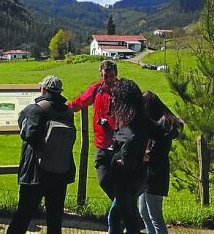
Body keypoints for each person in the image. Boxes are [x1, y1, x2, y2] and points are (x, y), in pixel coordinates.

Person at [7, 75, 76, 234]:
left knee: (24, 213)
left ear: (43, 89)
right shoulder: (68, 112)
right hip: (61, 169)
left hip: (36, 171)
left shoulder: (36, 109)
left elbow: (27, 134)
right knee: (55, 216)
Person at [109, 80, 175, 234]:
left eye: (115, 97)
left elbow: (132, 140)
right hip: (136, 176)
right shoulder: (141, 119)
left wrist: (125, 159)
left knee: (125, 219)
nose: (113, 100)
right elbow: (164, 135)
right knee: (129, 218)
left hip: (126, 178)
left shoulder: (132, 123)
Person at [68, 60, 118, 198]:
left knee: (121, 182)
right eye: (105, 76)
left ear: (116, 75)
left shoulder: (123, 91)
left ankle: (122, 211)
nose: (109, 80)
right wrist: (62, 109)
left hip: (120, 145)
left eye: (111, 76)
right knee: (104, 180)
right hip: (101, 144)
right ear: (101, 75)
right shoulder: (97, 89)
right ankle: (123, 209)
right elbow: (80, 102)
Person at [138, 91, 181, 234]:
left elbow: (156, 152)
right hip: (149, 173)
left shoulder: (163, 125)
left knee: (155, 216)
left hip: (156, 174)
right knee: (144, 212)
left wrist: (143, 155)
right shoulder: (158, 123)